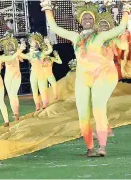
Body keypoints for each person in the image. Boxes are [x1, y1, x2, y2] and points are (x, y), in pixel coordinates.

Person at [40, 0, 130, 156]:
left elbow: (121, 27)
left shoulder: (101, 36)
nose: (87, 20)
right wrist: (47, 8)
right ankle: (90, 148)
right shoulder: (75, 37)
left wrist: (126, 9)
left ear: (94, 20)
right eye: (84, 18)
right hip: (83, 78)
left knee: (98, 108)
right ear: (80, 21)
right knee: (83, 113)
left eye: (90, 18)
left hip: (102, 76)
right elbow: (54, 28)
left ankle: (102, 147)